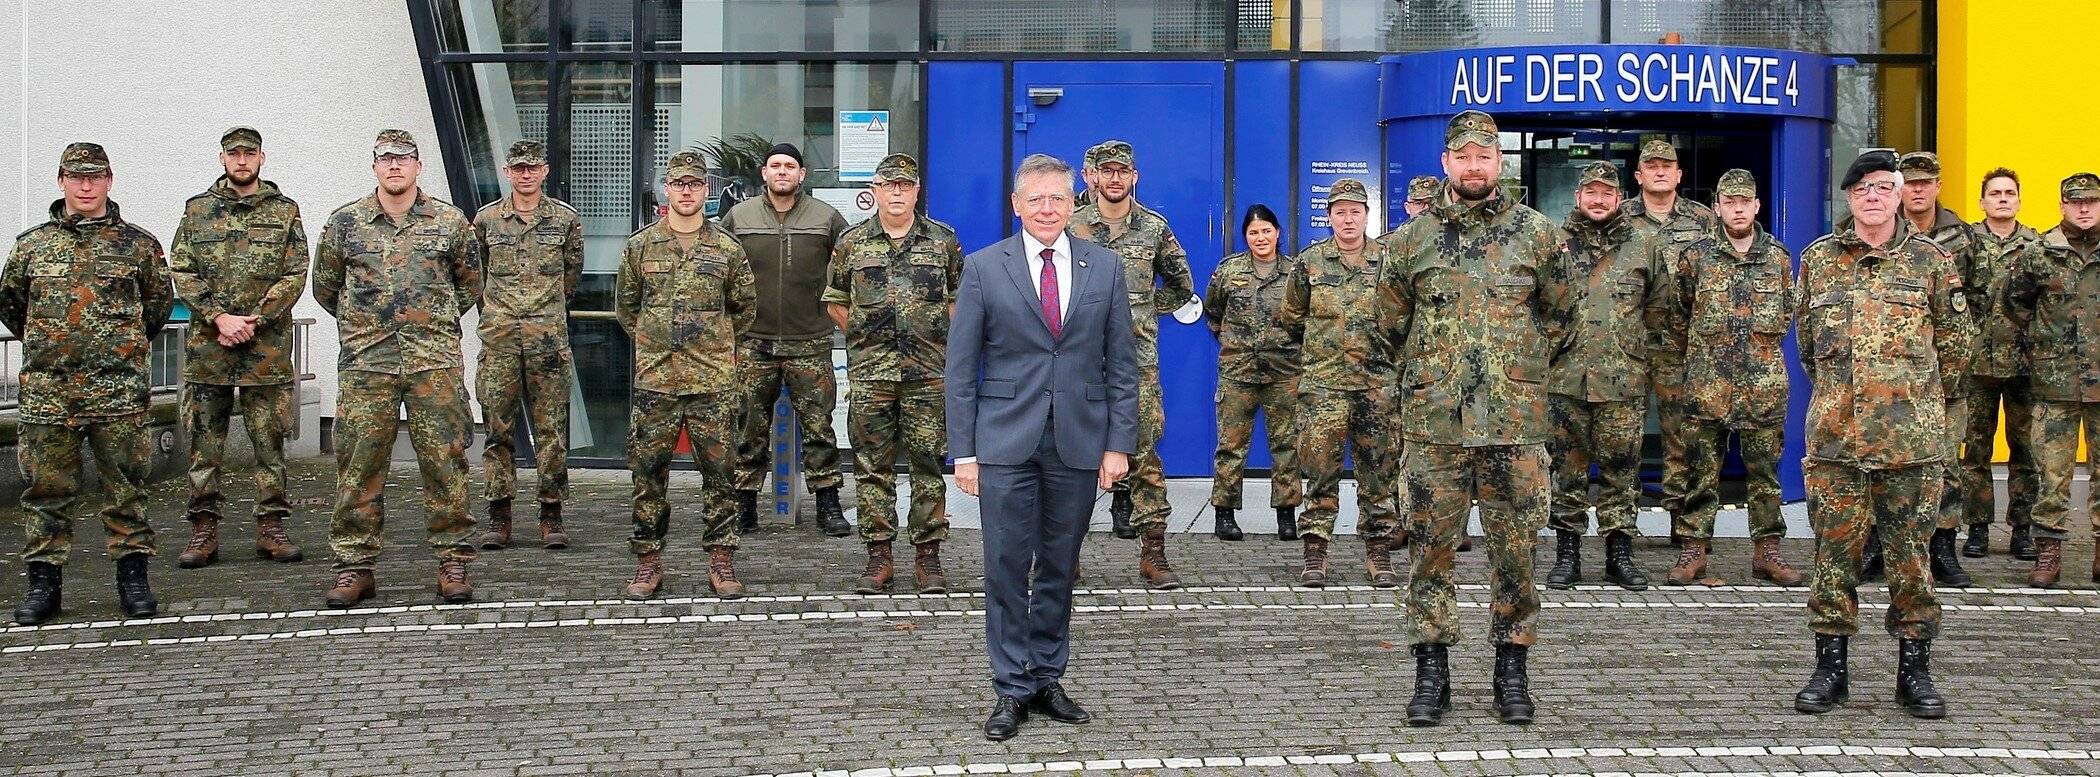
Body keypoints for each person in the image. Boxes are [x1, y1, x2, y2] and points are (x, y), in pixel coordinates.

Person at [1378, 110, 1571, 726]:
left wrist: (1518, 371)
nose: (1474, 166)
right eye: (1462, 156)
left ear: (1499, 162)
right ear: (1446, 163)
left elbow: (1562, 321)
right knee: (1431, 552)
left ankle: (1510, 672)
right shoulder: (1411, 241)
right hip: (1436, 427)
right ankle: (1431, 673)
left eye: (1484, 156)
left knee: (1516, 555)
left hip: (1515, 426)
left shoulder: (1538, 235)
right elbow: (1387, 327)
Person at [948, 154, 1137, 741]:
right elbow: (960, 368)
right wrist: (965, 452)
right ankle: (1010, 686)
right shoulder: (982, 269)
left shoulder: (1104, 267)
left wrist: (1118, 444)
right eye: (1036, 200)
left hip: (1078, 441)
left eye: (1058, 198)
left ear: (1071, 202)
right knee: (1006, 567)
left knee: (1058, 566)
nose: (1048, 209)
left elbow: (1122, 366)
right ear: (1016, 205)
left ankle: (1047, 676)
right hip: (1004, 441)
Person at [1792, 150, 1966, 720]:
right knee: (1832, 556)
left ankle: (1914, 670)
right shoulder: (1819, 262)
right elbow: (1809, 347)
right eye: (1863, 186)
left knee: (1910, 558)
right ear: (1848, 196)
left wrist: (1912, 403)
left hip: (1909, 445)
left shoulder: (1932, 262)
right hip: (1837, 442)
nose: (1874, 196)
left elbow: (1956, 349)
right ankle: (1830, 668)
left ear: (1900, 196)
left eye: (1885, 187)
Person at [2, 142, 175, 625]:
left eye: (94, 176)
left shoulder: (139, 246)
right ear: (60, 180)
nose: (85, 185)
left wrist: (116, 353)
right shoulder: (32, 245)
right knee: (45, 493)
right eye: (76, 177)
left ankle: (133, 580)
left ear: (109, 180)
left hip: (117, 393)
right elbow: (14, 306)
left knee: (126, 490)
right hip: (49, 395)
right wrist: (52, 346)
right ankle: (44, 587)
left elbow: (156, 309)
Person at [314, 129, 482, 607]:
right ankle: (354, 567)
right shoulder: (345, 223)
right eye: (385, 158)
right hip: (369, 364)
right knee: (359, 466)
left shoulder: (449, 222)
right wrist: (366, 329)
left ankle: (452, 561)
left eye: (403, 158)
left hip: (434, 363)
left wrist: (431, 327)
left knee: (445, 463)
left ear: (418, 166)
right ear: (374, 166)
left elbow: (469, 285)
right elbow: (326, 288)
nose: (394, 166)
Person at [615, 151, 757, 599]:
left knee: (720, 472)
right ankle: (648, 562)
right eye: (679, 184)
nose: (687, 191)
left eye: (695, 184)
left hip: (711, 381)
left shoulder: (727, 249)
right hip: (656, 380)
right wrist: (657, 343)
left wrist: (712, 345)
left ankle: (722, 560)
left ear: (705, 190)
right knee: (648, 473)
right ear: (667, 190)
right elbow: (627, 309)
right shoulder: (641, 246)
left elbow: (743, 311)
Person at [168, 126, 309, 569]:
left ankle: (271, 528)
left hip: (264, 352)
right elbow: (182, 269)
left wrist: (255, 320)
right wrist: (218, 318)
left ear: (262, 158)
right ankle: (203, 532)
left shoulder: (285, 212)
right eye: (234, 154)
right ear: (222, 158)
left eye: (249, 153)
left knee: (269, 446)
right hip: (209, 354)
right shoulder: (197, 211)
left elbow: (296, 272)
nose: (241, 160)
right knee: (204, 450)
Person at [823, 153, 964, 593]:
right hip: (871, 375)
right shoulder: (852, 243)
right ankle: (878, 558)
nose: (898, 193)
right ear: (876, 191)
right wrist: (865, 340)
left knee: (928, 466)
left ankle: (929, 560)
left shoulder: (942, 241)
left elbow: (959, 299)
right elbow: (835, 301)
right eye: (889, 185)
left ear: (917, 190)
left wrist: (937, 339)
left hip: (927, 375)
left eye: (905, 185)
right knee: (871, 468)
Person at [1655, 169, 1802, 586]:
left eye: (1745, 202)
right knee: (1700, 472)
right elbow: (1678, 318)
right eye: (1729, 202)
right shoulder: (1696, 257)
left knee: (1765, 476)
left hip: (1764, 388)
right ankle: (1693, 550)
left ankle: (1767, 551)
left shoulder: (1779, 258)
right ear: (1717, 208)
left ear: (1757, 206)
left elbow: (1789, 315)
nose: (1737, 209)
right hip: (1707, 387)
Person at [1071, 140, 1197, 588]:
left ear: (1134, 177)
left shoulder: (1154, 229)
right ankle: (1067, 557)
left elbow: (1182, 285)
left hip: (1136, 365)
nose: (1116, 179)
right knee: (1075, 459)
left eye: (1123, 171)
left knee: (1144, 456)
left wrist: (1139, 310)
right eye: (1107, 171)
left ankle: (1154, 555)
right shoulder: (1070, 226)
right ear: (1092, 177)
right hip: (1079, 363)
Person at [721, 142, 852, 536]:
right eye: (775, 165)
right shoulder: (738, 217)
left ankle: (828, 505)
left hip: (809, 340)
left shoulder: (826, 218)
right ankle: (743, 505)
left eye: (789, 166)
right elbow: (717, 269)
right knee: (748, 428)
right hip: (753, 341)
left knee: (819, 429)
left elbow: (847, 272)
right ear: (764, 174)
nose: (782, 172)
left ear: (801, 175)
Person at [1543, 160, 1661, 592]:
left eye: (1606, 193)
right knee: (1567, 471)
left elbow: (1661, 311)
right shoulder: (1554, 244)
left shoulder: (1643, 244)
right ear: (1578, 197)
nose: (1598, 199)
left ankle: (1619, 555)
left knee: (1621, 471)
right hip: (1565, 378)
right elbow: (1537, 307)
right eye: (1590, 192)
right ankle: (1567, 555)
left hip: (1622, 380)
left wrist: (1644, 363)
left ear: (1618, 198)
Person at [1281, 179, 1403, 587]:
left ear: (1367, 215)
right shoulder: (1310, 263)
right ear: (1329, 216)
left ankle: (1379, 552)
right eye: (1340, 212)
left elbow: (1405, 316)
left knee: (1378, 473)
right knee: (1320, 473)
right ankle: (1315, 552)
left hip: (1377, 386)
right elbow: (1292, 317)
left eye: (1355, 211)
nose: (1347, 219)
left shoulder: (1389, 261)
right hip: (1324, 388)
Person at [471, 139, 583, 551]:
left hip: (548, 342)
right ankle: (499, 517)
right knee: (498, 432)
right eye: (518, 168)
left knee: (551, 432)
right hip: (500, 341)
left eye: (532, 168)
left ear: (545, 171)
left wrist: (542, 316)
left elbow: (571, 278)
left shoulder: (566, 221)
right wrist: (500, 314)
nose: (525, 175)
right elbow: (473, 277)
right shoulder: (485, 222)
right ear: (507, 172)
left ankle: (551, 514)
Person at [2002, 171, 2100, 587]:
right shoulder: (2039, 253)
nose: (2083, 208)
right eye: (2075, 202)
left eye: (2091, 202)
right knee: (2052, 473)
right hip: (2054, 383)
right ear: (2061, 205)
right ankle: (2048, 554)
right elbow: (2015, 303)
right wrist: (2044, 347)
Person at [1622, 139, 1720, 541]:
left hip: (1682, 347)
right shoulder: (1619, 218)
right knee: (1623, 436)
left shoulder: (1702, 221)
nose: (1660, 171)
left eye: (1668, 165)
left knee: (1682, 434)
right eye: (1652, 165)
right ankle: (1621, 527)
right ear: (1639, 175)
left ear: (1679, 174)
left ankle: (1683, 523)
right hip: (1629, 343)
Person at [1895, 151, 1977, 587]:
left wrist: (1955, 365)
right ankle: (1878, 545)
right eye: (1910, 182)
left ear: (1938, 185)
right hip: (1890, 378)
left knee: (1945, 463)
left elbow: (1978, 303)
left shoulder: (1963, 238)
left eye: (1925, 182)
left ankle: (1943, 547)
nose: (1918, 189)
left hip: (1945, 376)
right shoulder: (1881, 234)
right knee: (1882, 461)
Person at [1202, 204, 1301, 541]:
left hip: (1284, 373)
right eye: (1253, 232)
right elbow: (1213, 313)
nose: (1261, 237)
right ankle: (1224, 514)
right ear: (1245, 236)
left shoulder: (1295, 272)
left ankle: (1287, 516)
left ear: (1278, 233)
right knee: (1231, 446)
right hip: (1238, 372)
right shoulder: (1228, 271)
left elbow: (1306, 318)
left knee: (1286, 446)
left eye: (1266, 231)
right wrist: (1235, 344)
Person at [1960, 167, 2042, 560]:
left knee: (2025, 448)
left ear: (2019, 200)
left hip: (2025, 363)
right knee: (1975, 448)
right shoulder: (1966, 243)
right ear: (1982, 202)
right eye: (1995, 193)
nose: (2003, 198)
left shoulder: (2039, 246)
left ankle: (2022, 529)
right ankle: (1977, 527)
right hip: (1976, 363)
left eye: (2010, 192)